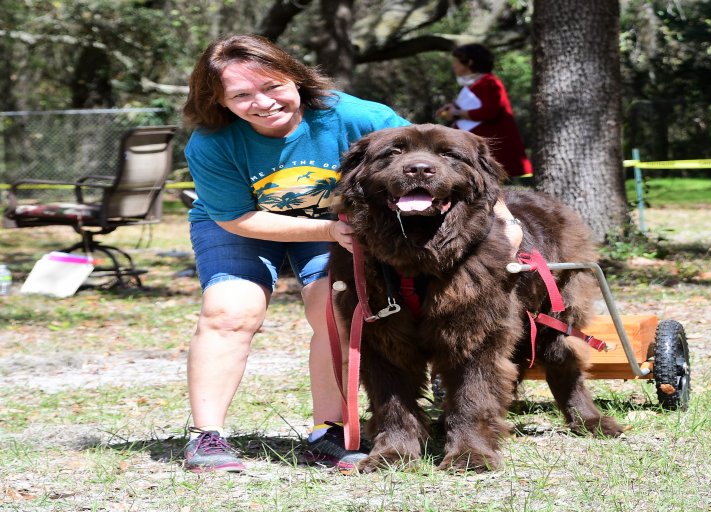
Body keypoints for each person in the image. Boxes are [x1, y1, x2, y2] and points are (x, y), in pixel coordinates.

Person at [180, 33, 523, 474]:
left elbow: (451, 159)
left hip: (332, 224)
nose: (262, 103)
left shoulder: (358, 116)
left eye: (272, 86)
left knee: (335, 310)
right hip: (245, 223)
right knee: (229, 312)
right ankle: (207, 436)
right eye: (241, 95)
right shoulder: (211, 142)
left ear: (296, 79)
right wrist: (332, 229)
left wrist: (505, 218)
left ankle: (328, 431)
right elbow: (235, 218)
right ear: (219, 101)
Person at [436, 44, 533, 178]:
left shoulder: (490, 82)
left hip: (494, 148)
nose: (454, 66)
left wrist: (456, 113)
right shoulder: (476, 83)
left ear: (469, 62)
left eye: (456, 62)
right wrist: (452, 108)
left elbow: (489, 112)